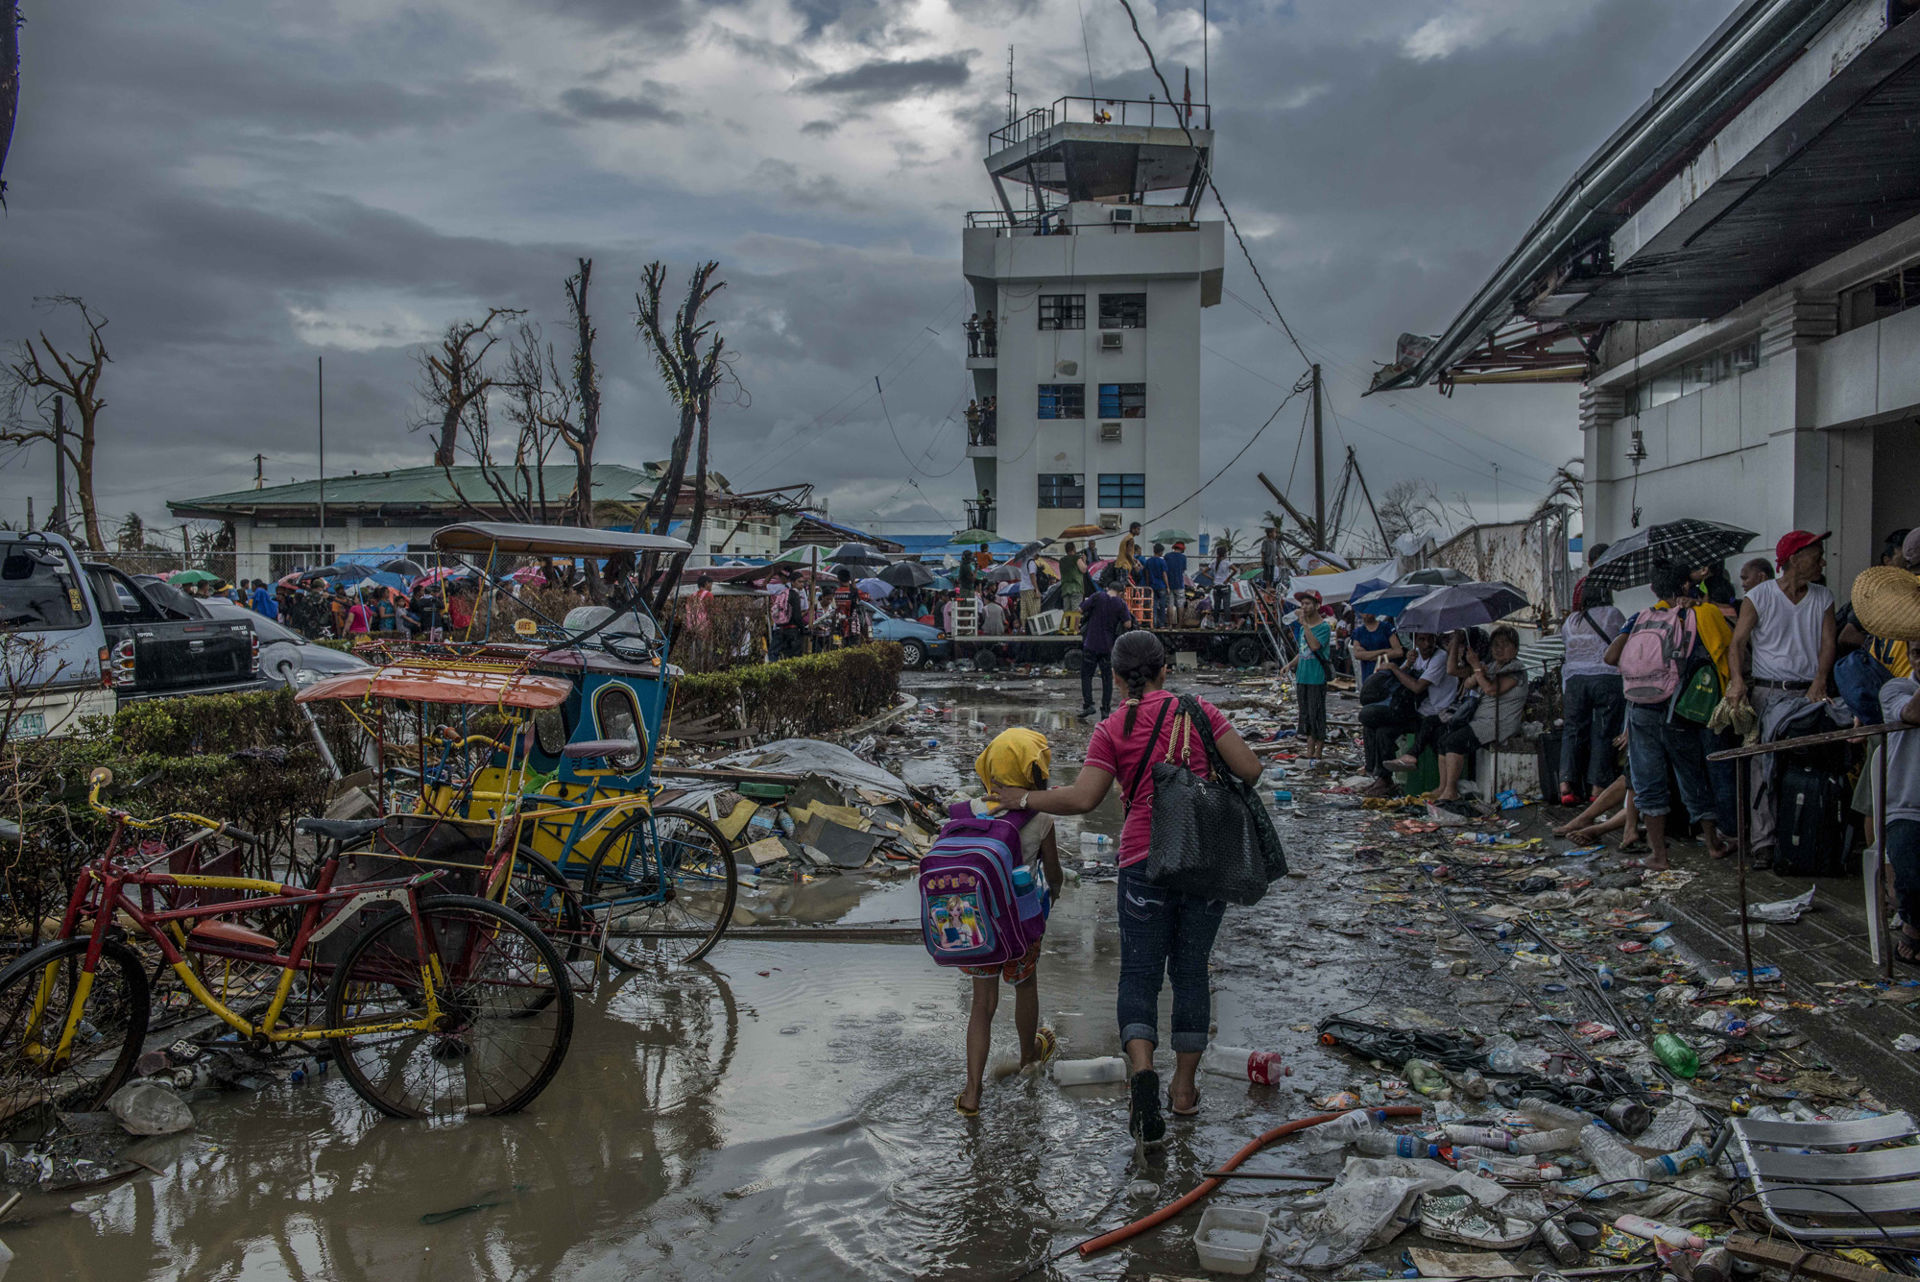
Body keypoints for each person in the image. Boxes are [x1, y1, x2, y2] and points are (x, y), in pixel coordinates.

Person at [994, 630, 1262, 1144]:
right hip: (1205, 864)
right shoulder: (1201, 712)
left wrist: (1023, 800)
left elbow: (1082, 800)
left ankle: (1142, 1074)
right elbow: (1250, 770)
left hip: (1143, 862)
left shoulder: (1113, 727)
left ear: (1116, 679)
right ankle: (1182, 1092)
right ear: (1165, 670)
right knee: (1190, 973)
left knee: (1139, 975)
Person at [954, 728, 1064, 1116]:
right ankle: (1027, 1057)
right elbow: (1054, 874)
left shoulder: (968, 810)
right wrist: (1054, 892)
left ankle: (971, 1092)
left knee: (981, 1004)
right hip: (1019, 927)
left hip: (978, 924)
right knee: (1025, 986)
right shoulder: (1042, 819)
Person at [1605, 560, 1731, 870]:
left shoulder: (1640, 617)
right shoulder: (1700, 615)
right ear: (1687, 584)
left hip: (1639, 708)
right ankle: (1713, 844)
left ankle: (1658, 854)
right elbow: (1726, 651)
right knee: (1692, 776)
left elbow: (1610, 657)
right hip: (1680, 709)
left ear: (1654, 589)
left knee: (1648, 780)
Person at [1727, 530, 1838, 866]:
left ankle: (1803, 836)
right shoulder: (1760, 596)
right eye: (1815, 554)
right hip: (1767, 691)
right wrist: (1736, 682)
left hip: (1808, 692)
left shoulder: (1823, 596)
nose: (1821, 561)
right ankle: (1764, 842)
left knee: (1806, 765)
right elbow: (1737, 643)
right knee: (1763, 767)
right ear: (1793, 559)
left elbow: (1828, 644)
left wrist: (1819, 681)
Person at [1430, 626, 1529, 803]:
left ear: (1515, 648)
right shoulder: (1492, 666)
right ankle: (1443, 787)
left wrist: (1476, 668)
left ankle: (1451, 791)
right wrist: (1477, 672)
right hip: (1482, 720)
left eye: (1504, 645)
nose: (1499, 649)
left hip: (1498, 722)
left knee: (1455, 742)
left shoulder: (1516, 669)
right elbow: (1467, 683)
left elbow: (1491, 689)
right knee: (1444, 740)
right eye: (1495, 645)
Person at [1560, 584, 1627, 805]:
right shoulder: (1613, 614)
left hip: (1575, 681)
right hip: (1606, 678)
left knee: (1572, 730)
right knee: (1603, 731)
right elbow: (1623, 641)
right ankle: (1597, 789)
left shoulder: (1571, 620)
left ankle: (1566, 785)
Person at [1376, 631, 1462, 790]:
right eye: (1422, 639)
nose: (1427, 644)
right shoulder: (1416, 657)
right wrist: (1407, 664)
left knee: (1433, 731)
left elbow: (1417, 687)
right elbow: (1402, 680)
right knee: (1383, 731)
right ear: (1414, 640)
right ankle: (1383, 779)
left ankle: (1413, 757)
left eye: (1430, 639)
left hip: (1439, 713)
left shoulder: (1440, 657)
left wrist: (1395, 668)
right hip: (1420, 712)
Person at [1078, 575, 1134, 717]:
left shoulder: (1097, 596)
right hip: (1108, 647)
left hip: (1090, 643)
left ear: (1108, 588)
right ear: (1121, 593)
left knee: (1086, 676)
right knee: (1107, 678)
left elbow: (1080, 609)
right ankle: (1105, 709)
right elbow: (1128, 624)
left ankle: (1089, 705)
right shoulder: (1121, 604)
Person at [1292, 590, 1331, 759]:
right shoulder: (1303, 629)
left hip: (1316, 677)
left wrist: (1305, 625)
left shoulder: (1323, 627)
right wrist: (1289, 665)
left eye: (1308, 604)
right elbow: (1302, 652)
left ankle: (1319, 750)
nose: (1304, 607)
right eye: (1302, 604)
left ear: (1317, 606)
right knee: (1305, 714)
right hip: (1302, 676)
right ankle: (1309, 749)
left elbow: (1315, 646)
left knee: (1317, 713)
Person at [1349, 610, 1400, 684]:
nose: (1367, 614)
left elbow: (1398, 652)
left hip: (1386, 672)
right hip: (1368, 674)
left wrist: (1369, 655)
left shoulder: (1386, 627)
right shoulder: (1358, 632)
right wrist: (1383, 651)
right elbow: (1357, 655)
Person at [769, 570, 809, 659]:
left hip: (781, 629)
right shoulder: (795, 595)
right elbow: (797, 615)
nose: (802, 584)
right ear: (793, 582)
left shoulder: (785, 593)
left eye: (803, 582)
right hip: (792, 631)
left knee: (780, 655)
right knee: (794, 657)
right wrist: (802, 629)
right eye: (799, 582)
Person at [1142, 544, 1170, 627]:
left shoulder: (1148, 561)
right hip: (1161, 585)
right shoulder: (1162, 561)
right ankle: (1161, 624)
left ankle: (1153, 623)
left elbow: (1146, 574)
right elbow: (1164, 574)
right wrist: (1167, 586)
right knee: (1162, 606)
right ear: (1161, 552)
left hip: (1152, 586)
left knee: (1153, 606)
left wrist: (1147, 585)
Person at [1058, 542, 1088, 623]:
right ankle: (1075, 628)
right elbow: (1083, 569)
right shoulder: (1076, 558)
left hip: (1065, 588)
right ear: (1074, 549)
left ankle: (1066, 627)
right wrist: (1084, 561)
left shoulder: (1062, 560)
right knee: (1076, 609)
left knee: (1067, 609)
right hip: (1076, 587)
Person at [1208, 544, 1233, 626]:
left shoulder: (1213, 562)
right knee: (1226, 606)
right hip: (1225, 587)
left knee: (1216, 606)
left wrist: (1212, 578)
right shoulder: (1227, 563)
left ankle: (1215, 623)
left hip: (1216, 587)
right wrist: (1227, 579)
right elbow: (1236, 570)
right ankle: (1227, 624)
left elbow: (1204, 572)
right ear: (1225, 554)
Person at [1165, 542, 1189, 625]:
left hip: (1169, 583)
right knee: (1180, 604)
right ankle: (1179, 624)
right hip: (1179, 584)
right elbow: (1183, 570)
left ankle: (1170, 624)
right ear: (1182, 549)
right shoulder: (1183, 557)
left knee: (1170, 604)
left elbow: (1165, 570)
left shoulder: (1167, 556)